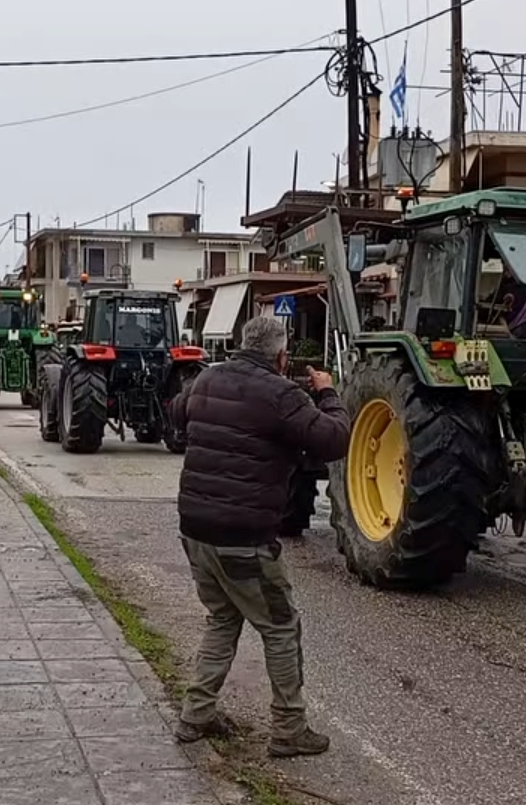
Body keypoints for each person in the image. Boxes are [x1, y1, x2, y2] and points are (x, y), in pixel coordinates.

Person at [172, 316, 350, 758]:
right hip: (243, 536)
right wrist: (327, 393)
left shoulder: (207, 379)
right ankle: (289, 728)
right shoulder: (282, 394)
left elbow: (176, 412)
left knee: (223, 617)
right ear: (282, 356)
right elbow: (334, 440)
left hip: (194, 529)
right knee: (281, 627)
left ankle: (196, 714)